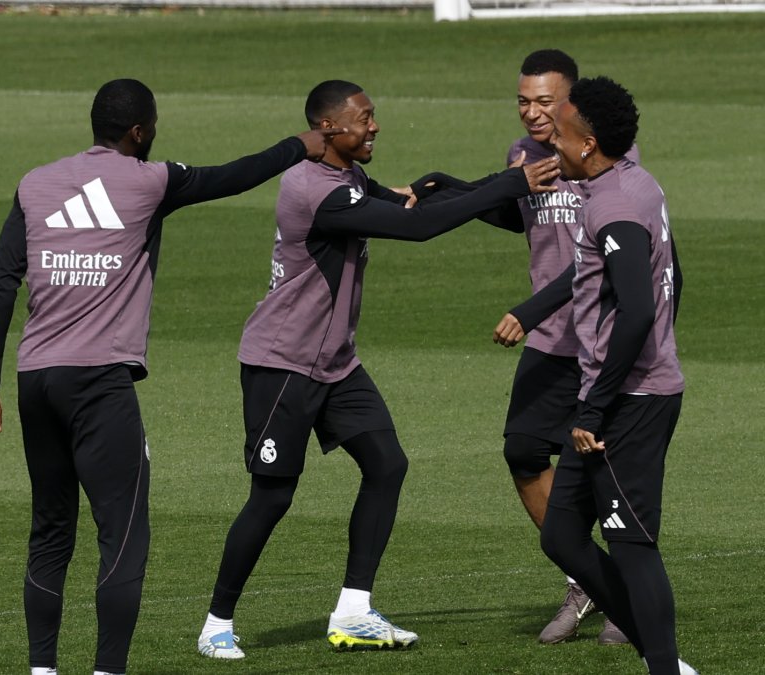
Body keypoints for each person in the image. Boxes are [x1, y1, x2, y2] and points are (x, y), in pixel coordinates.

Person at [0, 78, 342, 675]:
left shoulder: (34, 183)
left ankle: (41, 670)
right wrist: (299, 144)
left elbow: (2, 282)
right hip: (99, 384)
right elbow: (233, 175)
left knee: (51, 531)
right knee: (122, 535)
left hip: (34, 380)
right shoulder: (149, 181)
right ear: (139, 131)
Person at [195, 79, 560, 660]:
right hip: (282, 365)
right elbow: (416, 229)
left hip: (335, 365)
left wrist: (459, 184)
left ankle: (354, 611)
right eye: (365, 118)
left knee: (387, 465)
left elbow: (413, 206)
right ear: (330, 129)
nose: (375, 126)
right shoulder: (315, 190)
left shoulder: (348, 179)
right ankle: (217, 622)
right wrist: (512, 182)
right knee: (272, 496)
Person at [507, 76, 693, 675]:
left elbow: (638, 308)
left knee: (632, 546)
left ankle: (664, 666)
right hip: (614, 392)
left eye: (558, 133)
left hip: (628, 403)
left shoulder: (612, 207)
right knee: (561, 536)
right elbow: (674, 277)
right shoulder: (637, 184)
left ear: (587, 143)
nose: (549, 143)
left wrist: (595, 408)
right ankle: (659, 655)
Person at [494, 49, 637, 646]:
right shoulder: (522, 156)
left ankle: (628, 595)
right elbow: (520, 218)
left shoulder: (605, 158)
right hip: (552, 344)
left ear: (571, 100)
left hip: (601, 341)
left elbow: (593, 262)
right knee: (524, 451)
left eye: (544, 101)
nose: (531, 112)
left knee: (603, 471)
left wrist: (526, 312)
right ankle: (583, 578)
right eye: (523, 100)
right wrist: (442, 192)